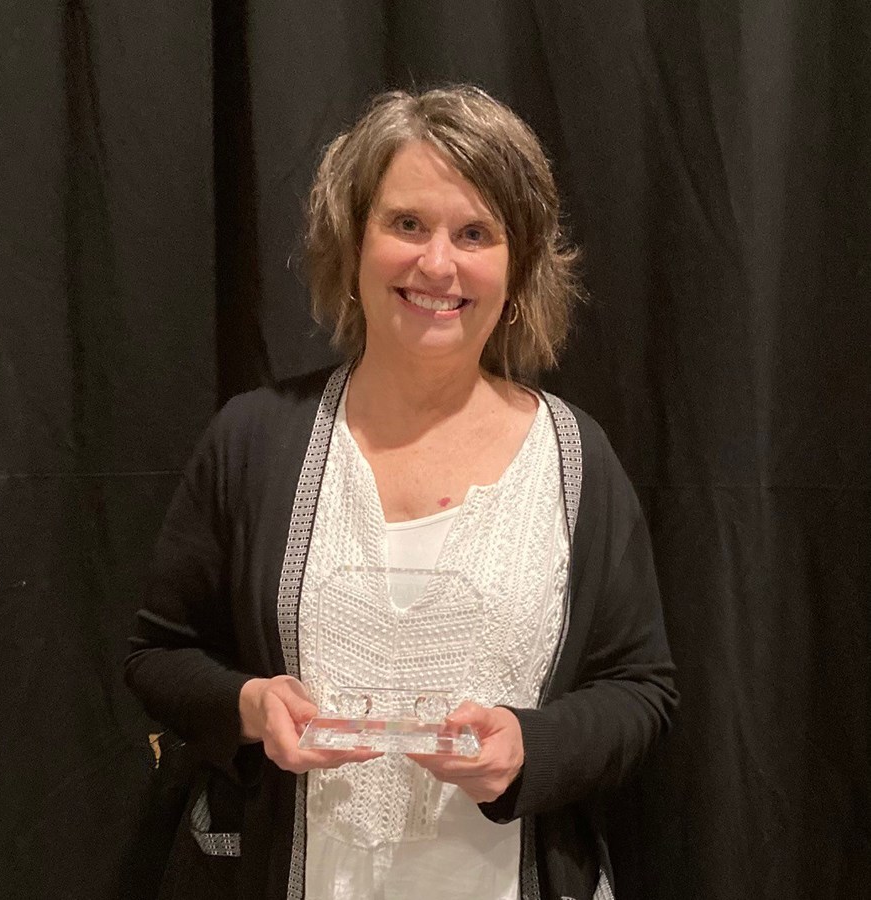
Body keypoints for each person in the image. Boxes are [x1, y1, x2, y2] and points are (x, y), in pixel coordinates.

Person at [125, 85, 678, 900]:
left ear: (516, 265)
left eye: (475, 233)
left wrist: (533, 747)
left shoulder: (575, 460)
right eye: (407, 224)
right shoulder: (253, 440)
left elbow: (643, 691)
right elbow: (155, 657)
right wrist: (249, 706)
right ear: (353, 241)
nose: (437, 264)